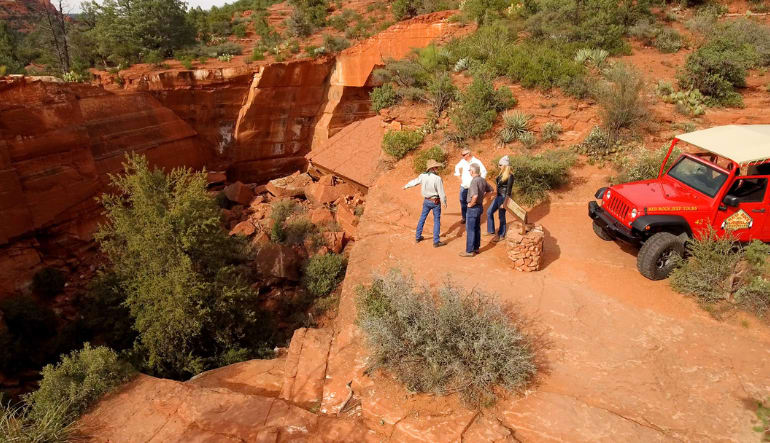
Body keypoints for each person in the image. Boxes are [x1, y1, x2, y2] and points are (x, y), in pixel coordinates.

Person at [403, 159, 447, 248]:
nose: (438, 168)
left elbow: (414, 182)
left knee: (422, 218)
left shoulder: (423, 176)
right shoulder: (437, 179)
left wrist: (406, 186)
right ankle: (436, 241)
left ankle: (418, 237)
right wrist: (444, 202)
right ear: (433, 168)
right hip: (435, 202)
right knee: (436, 220)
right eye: (436, 167)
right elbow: (441, 192)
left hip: (426, 201)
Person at [460, 163, 492, 257]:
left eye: (470, 170)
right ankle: (476, 248)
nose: (469, 171)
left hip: (473, 208)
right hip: (479, 207)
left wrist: (471, 203)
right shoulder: (482, 180)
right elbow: (491, 190)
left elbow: (475, 195)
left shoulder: (474, 181)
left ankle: (469, 251)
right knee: (477, 227)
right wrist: (482, 198)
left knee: (470, 229)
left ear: (473, 171)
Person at [484, 156, 514, 242]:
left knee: (501, 217)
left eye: (500, 165)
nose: (498, 166)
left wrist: (504, 203)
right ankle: (491, 230)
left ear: (504, 165)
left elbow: (509, 191)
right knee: (489, 212)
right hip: (498, 196)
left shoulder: (510, 176)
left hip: (503, 198)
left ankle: (501, 234)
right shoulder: (501, 174)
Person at [453, 148, 487, 224]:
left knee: (473, 202)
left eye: (464, 155)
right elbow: (456, 167)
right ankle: (464, 217)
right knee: (462, 201)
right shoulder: (463, 161)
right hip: (464, 186)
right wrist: (458, 177)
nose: (463, 156)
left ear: (469, 154)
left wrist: (479, 182)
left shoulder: (477, 162)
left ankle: (473, 218)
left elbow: (484, 171)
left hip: (473, 187)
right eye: (462, 155)